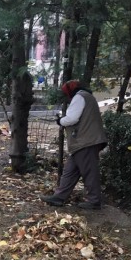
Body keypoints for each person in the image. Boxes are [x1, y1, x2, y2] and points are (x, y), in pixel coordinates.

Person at [40, 80, 107, 211]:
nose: (67, 96)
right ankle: (59, 197)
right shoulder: (87, 96)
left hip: (86, 141)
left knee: (89, 172)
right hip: (85, 141)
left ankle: (94, 201)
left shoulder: (79, 97)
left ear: (70, 91)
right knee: (70, 171)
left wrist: (60, 121)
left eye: (66, 93)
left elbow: (72, 118)